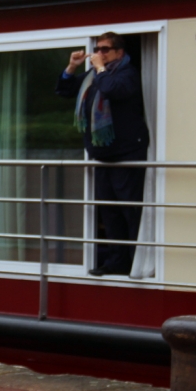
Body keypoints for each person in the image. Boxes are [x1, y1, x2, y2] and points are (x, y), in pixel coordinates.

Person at [56, 32, 149, 276]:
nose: (99, 53)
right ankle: (116, 261)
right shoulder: (94, 75)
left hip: (127, 155)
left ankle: (134, 262)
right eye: (97, 49)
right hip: (102, 155)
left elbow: (112, 90)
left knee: (130, 210)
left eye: (105, 49)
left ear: (120, 52)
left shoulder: (127, 74)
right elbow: (65, 91)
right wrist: (72, 66)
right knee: (109, 211)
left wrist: (99, 68)